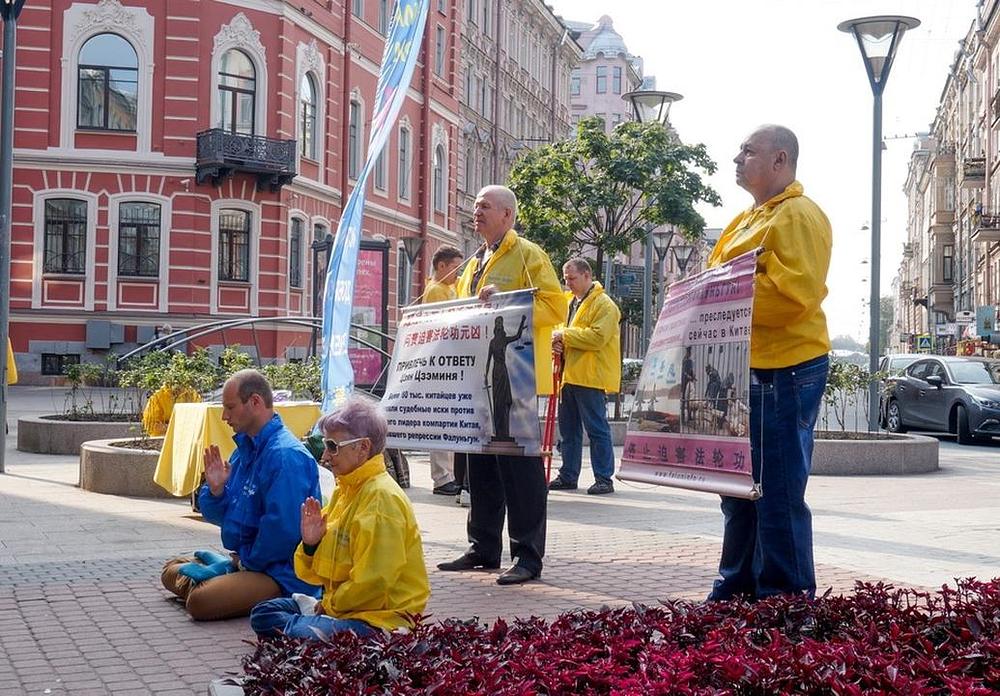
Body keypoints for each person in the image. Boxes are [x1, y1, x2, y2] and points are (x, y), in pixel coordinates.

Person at [706, 124, 831, 601]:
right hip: (744, 367)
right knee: (738, 488)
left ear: (780, 160)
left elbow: (793, 297)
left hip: (784, 368)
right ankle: (735, 589)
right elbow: (718, 280)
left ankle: (785, 599)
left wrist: (725, 291)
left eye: (748, 151)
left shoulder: (799, 215)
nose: (737, 159)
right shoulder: (746, 219)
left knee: (776, 490)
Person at [437, 185, 567, 586]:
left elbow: (555, 307)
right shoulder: (475, 261)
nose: (476, 212)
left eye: (485, 207)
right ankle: (483, 547)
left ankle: (527, 556)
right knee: (481, 469)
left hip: (518, 380)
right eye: (476, 206)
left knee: (520, 473)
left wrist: (506, 300)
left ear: (507, 215)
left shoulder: (528, 254)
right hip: (479, 380)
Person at [250, 397, 429, 639]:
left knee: (295, 629)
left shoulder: (381, 499)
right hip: (343, 609)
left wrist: (329, 606)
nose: (325, 455)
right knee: (263, 613)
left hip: (380, 619)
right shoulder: (346, 489)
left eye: (333, 446)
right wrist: (311, 545)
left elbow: (373, 584)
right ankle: (312, 623)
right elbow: (314, 574)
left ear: (363, 447)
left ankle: (311, 624)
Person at [161, 369, 321, 620]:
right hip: (246, 561)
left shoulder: (285, 456)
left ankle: (216, 583)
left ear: (255, 402)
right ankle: (218, 581)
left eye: (230, 407)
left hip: (280, 573)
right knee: (169, 570)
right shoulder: (245, 450)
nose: (224, 416)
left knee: (200, 602)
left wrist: (244, 562)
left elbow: (281, 534)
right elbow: (221, 517)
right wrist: (216, 491)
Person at [548, 258, 621, 495]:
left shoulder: (604, 305)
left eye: (572, 278)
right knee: (568, 430)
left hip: (591, 376)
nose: (568, 283)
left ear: (587, 275)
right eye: (565, 278)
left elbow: (597, 337)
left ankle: (604, 478)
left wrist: (564, 336)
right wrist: (556, 342)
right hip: (568, 375)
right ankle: (568, 475)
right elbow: (557, 331)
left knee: (596, 428)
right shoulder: (569, 302)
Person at [422, 244, 466, 498]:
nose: (458, 273)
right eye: (455, 268)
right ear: (441, 266)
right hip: (441, 361)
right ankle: (442, 477)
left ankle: (447, 475)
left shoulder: (447, 288)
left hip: (447, 361)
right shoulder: (437, 291)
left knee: (448, 419)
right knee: (442, 419)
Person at [484, 314, 528, 441]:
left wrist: (522, 321)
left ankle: (505, 433)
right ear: (495, 326)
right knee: (497, 402)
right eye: (497, 323)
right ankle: (499, 432)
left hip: (503, 371)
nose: (499, 325)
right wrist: (486, 375)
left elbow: (517, 336)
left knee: (505, 401)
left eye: (500, 323)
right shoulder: (492, 342)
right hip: (496, 372)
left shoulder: (504, 340)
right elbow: (488, 360)